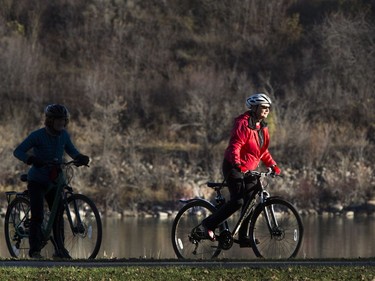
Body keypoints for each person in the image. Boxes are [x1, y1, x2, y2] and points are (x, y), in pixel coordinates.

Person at [200, 93, 281, 247]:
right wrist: (238, 164)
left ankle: (243, 237)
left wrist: (272, 165)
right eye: (263, 107)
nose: (266, 111)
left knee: (250, 201)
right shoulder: (242, 123)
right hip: (233, 166)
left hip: (250, 170)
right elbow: (235, 146)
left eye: (268, 108)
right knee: (238, 201)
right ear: (254, 108)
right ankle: (208, 224)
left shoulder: (262, 127)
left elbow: (262, 151)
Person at [13, 104, 90, 258]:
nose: (61, 123)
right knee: (38, 215)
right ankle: (35, 251)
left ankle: (60, 250)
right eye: (58, 120)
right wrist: (31, 159)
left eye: (63, 120)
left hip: (54, 180)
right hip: (37, 180)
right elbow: (18, 151)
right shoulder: (37, 136)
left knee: (58, 214)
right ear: (50, 121)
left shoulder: (64, 135)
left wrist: (80, 157)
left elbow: (72, 151)